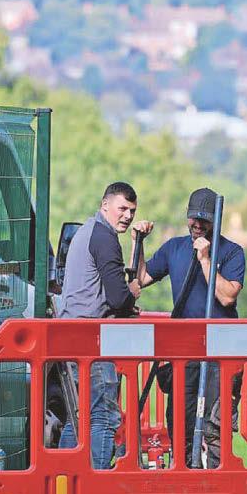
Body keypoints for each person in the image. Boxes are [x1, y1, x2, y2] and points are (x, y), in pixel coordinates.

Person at [136, 188, 246, 468]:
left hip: (222, 351)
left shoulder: (232, 252)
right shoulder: (174, 248)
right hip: (184, 350)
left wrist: (206, 260)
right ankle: (184, 479)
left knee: (215, 423)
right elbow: (141, 278)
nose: (197, 225)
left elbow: (226, 296)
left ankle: (218, 485)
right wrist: (138, 242)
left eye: (204, 220)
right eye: (193, 219)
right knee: (180, 419)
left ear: (216, 221)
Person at [57, 181, 153, 468]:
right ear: (105, 205)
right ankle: (94, 490)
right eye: (122, 208)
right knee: (102, 415)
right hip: (92, 338)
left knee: (79, 416)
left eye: (132, 211)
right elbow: (117, 297)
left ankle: (64, 482)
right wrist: (132, 292)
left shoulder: (87, 231)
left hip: (73, 333)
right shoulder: (104, 237)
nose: (127, 215)